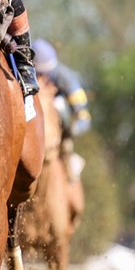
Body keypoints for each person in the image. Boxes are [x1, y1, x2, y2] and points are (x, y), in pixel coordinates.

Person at [33, 38, 92, 180]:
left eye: (43, 74)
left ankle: (69, 163)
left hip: (60, 127)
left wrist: (74, 129)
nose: (40, 78)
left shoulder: (66, 78)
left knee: (59, 105)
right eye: (37, 74)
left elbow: (84, 116)